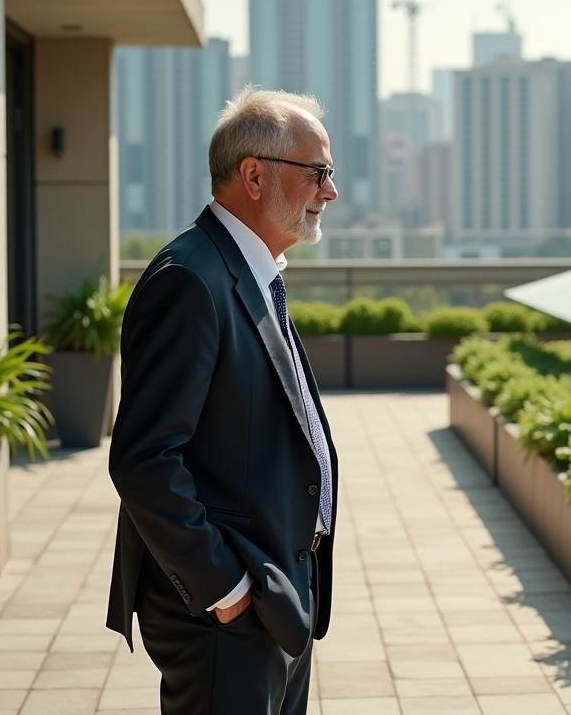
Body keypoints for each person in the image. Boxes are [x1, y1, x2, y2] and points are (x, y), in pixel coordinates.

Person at [106, 87, 340, 714]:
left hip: (277, 604)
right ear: (255, 175)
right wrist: (227, 590)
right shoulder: (191, 280)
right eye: (318, 172)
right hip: (227, 618)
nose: (330, 191)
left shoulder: (252, 272)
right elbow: (143, 459)